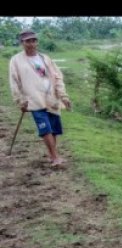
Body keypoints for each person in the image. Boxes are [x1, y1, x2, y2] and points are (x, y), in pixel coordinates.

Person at [8, 29, 72, 167]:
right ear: (22, 43)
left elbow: (57, 77)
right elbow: (14, 81)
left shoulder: (45, 58)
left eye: (33, 40)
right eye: (27, 41)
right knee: (45, 129)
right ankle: (55, 157)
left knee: (54, 129)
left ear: (37, 42)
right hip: (33, 100)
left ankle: (51, 155)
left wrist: (63, 96)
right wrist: (20, 100)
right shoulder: (16, 60)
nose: (31, 44)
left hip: (51, 98)